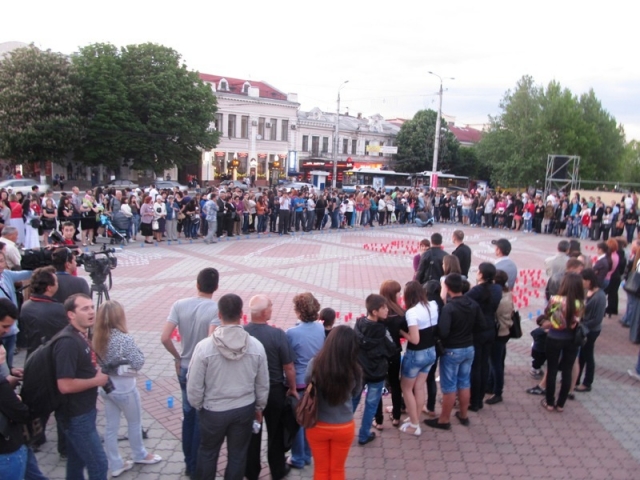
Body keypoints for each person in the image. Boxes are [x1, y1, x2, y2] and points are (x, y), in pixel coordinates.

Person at [187, 293, 269, 480]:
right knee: (238, 455)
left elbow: (194, 385)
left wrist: (199, 405)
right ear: (241, 313)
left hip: (213, 410)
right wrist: (259, 407)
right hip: (243, 408)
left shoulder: (204, 347)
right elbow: (263, 384)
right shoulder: (256, 346)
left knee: (208, 453)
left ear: (219, 314)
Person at [160, 268, 220, 479]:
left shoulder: (179, 304)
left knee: (188, 415)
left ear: (197, 284)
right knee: (199, 418)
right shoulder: (216, 309)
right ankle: (196, 467)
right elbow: (211, 340)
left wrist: (177, 357)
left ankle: (188, 463)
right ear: (216, 287)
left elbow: (165, 337)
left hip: (184, 366)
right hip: (202, 370)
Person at [93, 301, 162, 477]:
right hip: (125, 387)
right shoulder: (124, 338)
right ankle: (140, 453)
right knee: (134, 422)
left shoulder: (97, 336)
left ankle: (115, 463)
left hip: (106, 387)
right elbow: (138, 362)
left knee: (111, 426)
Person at [55, 294, 110, 479]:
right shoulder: (68, 343)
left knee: (76, 461)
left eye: (92, 307)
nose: (91, 312)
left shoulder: (79, 335)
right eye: (84, 309)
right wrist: (96, 381)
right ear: (71, 314)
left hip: (83, 412)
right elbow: (65, 385)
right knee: (99, 464)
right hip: (77, 416)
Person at [244, 295, 298, 480]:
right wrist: (292, 388)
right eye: (271, 307)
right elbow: (289, 367)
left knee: (252, 434)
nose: (272, 310)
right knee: (275, 432)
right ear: (265, 312)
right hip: (274, 390)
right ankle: (277, 469)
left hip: (249, 392)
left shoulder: (243, 333)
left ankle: (251, 472)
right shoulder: (277, 334)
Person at [425, 273, 482, 430]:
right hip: (469, 348)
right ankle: (463, 415)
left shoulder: (449, 308)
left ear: (447, 288)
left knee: (449, 387)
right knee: (464, 382)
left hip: (452, 350)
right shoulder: (472, 304)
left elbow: (443, 332)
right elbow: (480, 325)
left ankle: (444, 420)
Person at [305, 325, 362, 480]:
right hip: (343, 426)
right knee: (337, 470)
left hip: (317, 424)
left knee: (321, 470)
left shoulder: (314, 364)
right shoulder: (354, 368)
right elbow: (356, 393)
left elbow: (307, 384)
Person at [0, 300, 46, 480]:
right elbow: (19, 412)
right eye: (4, 326)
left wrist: (10, 372)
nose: (7, 331)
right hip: (7, 444)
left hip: (16, 441)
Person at [285, 293, 325, 469]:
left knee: (297, 421)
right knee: (309, 418)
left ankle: (298, 457)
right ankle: (308, 454)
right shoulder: (320, 329)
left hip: (298, 382)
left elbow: (288, 361)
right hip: (314, 380)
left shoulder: (291, 333)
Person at [352, 294, 396, 444]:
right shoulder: (382, 330)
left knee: (353, 400)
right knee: (371, 405)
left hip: (359, 370)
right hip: (377, 372)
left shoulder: (359, 324)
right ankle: (364, 435)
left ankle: (341, 427)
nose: (387, 310)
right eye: (383, 308)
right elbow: (391, 349)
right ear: (375, 311)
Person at [539, 273, 585, 412]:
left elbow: (547, 314)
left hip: (554, 336)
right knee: (567, 370)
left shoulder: (555, 299)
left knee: (552, 369)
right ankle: (561, 404)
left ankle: (549, 402)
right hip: (571, 338)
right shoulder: (580, 303)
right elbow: (580, 320)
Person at [398, 281, 438, 436]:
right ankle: (415, 418)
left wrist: (402, 332)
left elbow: (414, 339)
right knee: (419, 387)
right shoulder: (432, 305)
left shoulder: (412, 312)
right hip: (431, 352)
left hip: (416, 354)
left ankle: (415, 424)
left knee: (407, 388)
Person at [466, 262, 502, 411]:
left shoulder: (477, 291)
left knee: (476, 366)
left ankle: (474, 401)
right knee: (484, 364)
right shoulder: (497, 289)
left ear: (481, 274)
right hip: (491, 329)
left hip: (478, 330)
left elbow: (465, 302)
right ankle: (479, 398)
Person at [377, 280, 406, 427]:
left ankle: (378, 420)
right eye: (398, 292)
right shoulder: (400, 313)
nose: (400, 295)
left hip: (380, 355)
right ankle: (396, 417)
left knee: (378, 385)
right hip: (394, 352)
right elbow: (404, 331)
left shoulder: (378, 313)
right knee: (395, 383)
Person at [575, 269, 606, 392]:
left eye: (583, 280)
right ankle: (576, 379)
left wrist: (581, 322)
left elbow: (597, 319)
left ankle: (587, 382)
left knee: (587, 355)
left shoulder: (600, 297)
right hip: (586, 327)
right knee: (582, 355)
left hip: (591, 330)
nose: (581, 283)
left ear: (589, 280)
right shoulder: (589, 292)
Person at [0, 251, 32, 370]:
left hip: (12, 327)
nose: (0, 264)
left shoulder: (7, 275)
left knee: (8, 359)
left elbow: (27, 274)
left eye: (2, 261)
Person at [486, 270, 514, 405]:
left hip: (499, 332)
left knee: (496, 363)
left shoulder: (499, 299)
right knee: (497, 360)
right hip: (505, 331)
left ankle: (498, 392)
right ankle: (491, 385)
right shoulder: (508, 294)